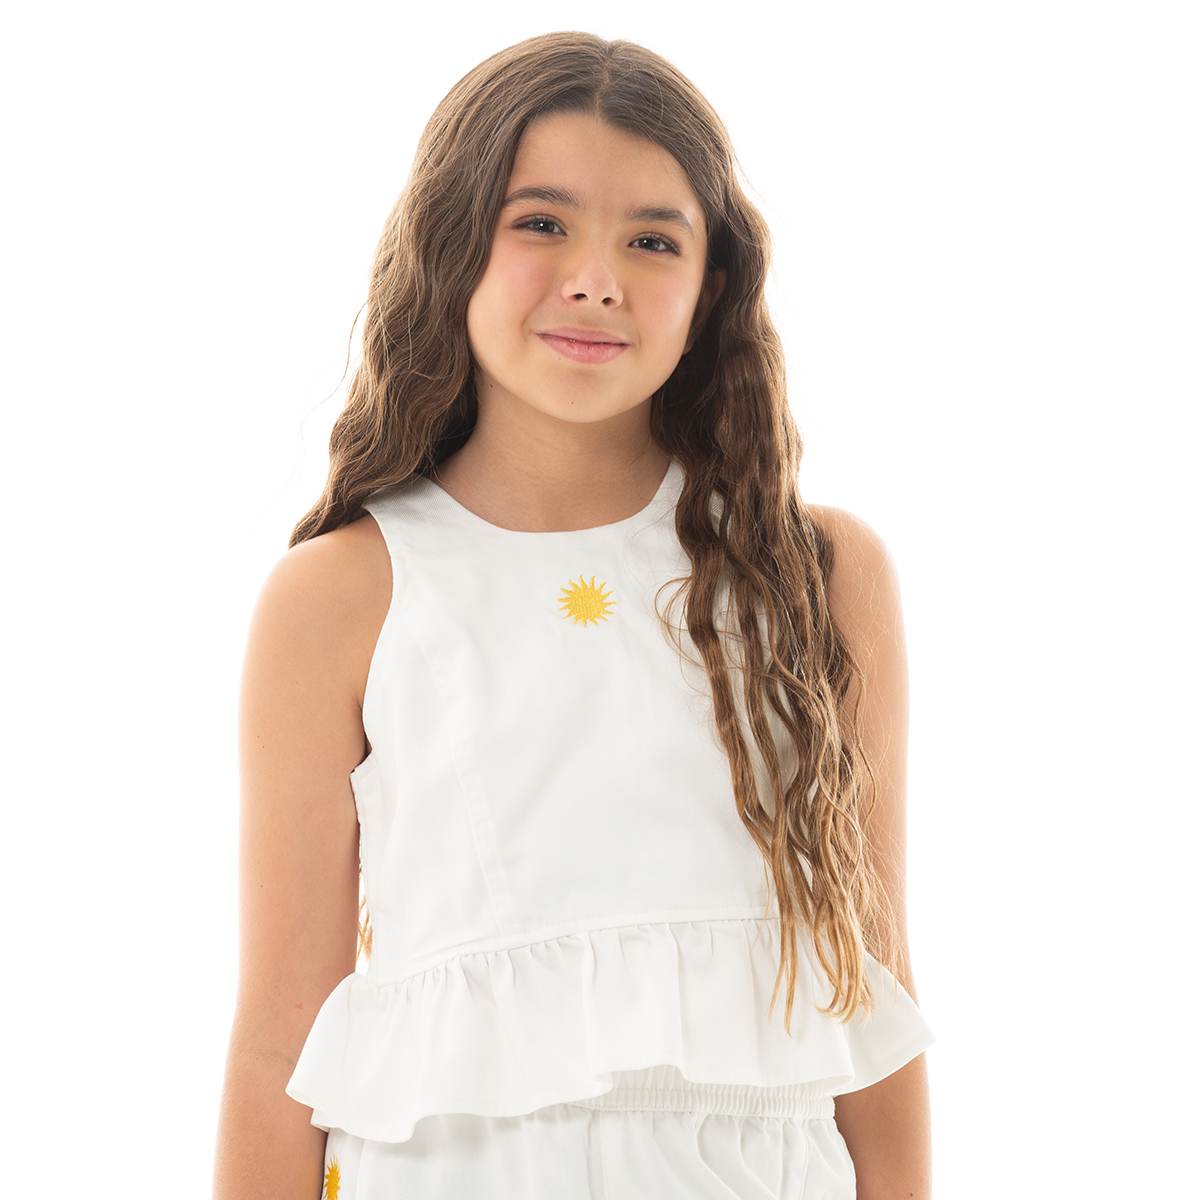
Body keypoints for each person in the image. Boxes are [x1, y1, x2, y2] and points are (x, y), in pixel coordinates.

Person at [213, 30, 934, 1200]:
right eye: (541, 222)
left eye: (653, 240)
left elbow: (875, 998)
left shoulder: (819, 573)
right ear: (453, 245)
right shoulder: (343, 592)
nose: (597, 279)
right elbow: (276, 1043)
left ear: (710, 288)